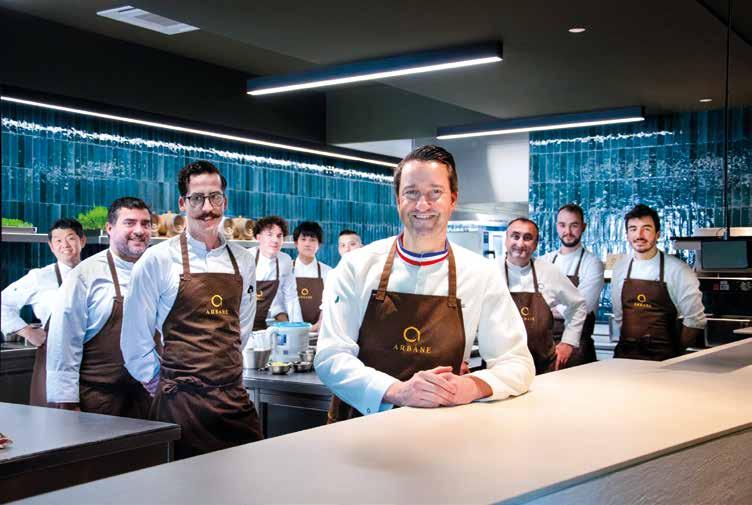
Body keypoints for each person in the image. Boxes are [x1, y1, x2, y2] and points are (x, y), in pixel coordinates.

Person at [316, 145, 534, 421]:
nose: (422, 205)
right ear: (398, 199)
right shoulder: (355, 266)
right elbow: (331, 356)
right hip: (358, 427)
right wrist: (398, 391)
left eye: (435, 192)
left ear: (453, 199)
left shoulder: (481, 273)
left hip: (441, 427)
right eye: (411, 192)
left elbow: (516, 362)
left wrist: (468, 386)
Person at [122, 160, 262, 459]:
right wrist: (162, 384)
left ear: (224, 201)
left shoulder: (244, 260)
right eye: (197, 198)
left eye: (215, 197)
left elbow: (243, 326)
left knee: (248, 476)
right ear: (182, 203)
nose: (207, 208)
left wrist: (222, 373)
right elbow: (135, 339)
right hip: (181, 403)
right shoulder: (158, 259)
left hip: (233, 398)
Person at [45, 198, 152, 417]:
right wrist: (67, 405)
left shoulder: (157, 270)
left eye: (145, 223)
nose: (139, 230)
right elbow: (63, 344)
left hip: (148, 398)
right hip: (99, 401)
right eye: (130, 223)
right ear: (109, 228)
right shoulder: (85, 276)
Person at [1, 218, 86, 406]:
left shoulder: (96, 274)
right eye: (58, 240)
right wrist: (28, 332)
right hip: (53, 362)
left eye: (71, 238)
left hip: (92, 361)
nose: (65, 245)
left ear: (82, 240)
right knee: (53, 416)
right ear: (51, 246)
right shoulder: (39, 277)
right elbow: (3, 304)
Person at [611, 204, 706, 361]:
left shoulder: (678, 270)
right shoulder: (620, 268)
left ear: (657, 234)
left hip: (663, 360)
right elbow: (619, 316)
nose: (639, 235)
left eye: (646, 229)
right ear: (627, 234)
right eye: (633, 229)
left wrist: (676, 355)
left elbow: (695, 320)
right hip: (624, 357)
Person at [501, 217, 588, 374]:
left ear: (535, 244)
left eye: (527, 238)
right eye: (515, 236)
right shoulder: (489, 271)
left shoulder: (549, 272)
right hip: (499, 365)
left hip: (542, 365)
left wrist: (568, 342)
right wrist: (465, 358)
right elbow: (470, 314)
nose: (520, 243)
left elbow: (578, 305)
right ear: (506, 239)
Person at [541, 204, 605, 367]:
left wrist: (549, 308)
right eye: (562, 225)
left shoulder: (592, 264)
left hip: (578, 348)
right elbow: (535, 303)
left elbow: (582, 306)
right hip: (544, 345)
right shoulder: (545, 261)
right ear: (557, 226)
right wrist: (566, 305)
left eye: (574, 225)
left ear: (583, 227)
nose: (567, 231)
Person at [249, 216, 302, 330]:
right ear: (258, 237)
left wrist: (298, 328)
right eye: (270, 235)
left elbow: (291, 297)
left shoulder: (285, 260)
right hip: (240, 324)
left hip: (261, 325)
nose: (275, 240)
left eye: (279, 236)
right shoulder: (247, 258)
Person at [292, 221, 332, 331]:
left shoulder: (328, 272)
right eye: (303, 239)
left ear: (319, 244)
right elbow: (279, 304)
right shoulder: (287, 270)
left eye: (312, 240)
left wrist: (317, 326)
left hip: (319, 331)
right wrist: (290, 327)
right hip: (289, 330)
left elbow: (329, 305)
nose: (307, 244)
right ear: (296, 243)